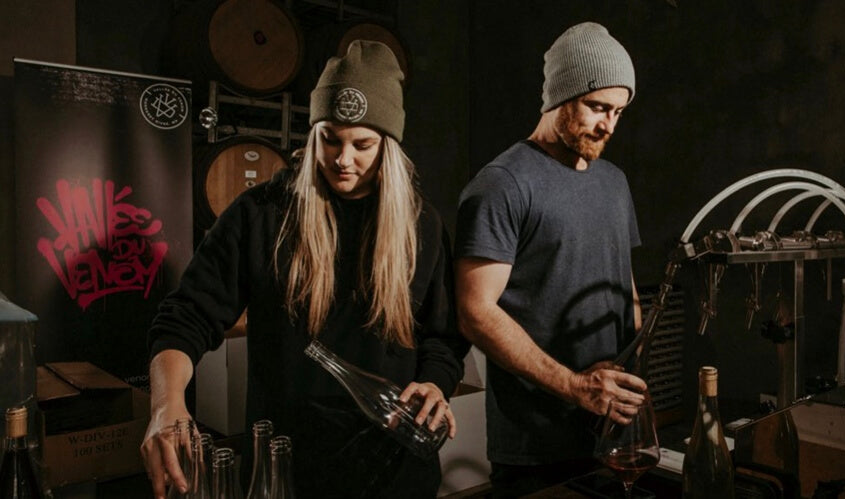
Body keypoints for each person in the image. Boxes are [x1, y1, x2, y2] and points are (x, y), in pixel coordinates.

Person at [140, 40, 468, 499]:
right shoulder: (262, 214)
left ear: (389, 146)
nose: (343, 159)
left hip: (394, 471)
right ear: (313, 133)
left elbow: (443, 337)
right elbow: (187, 316)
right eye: (329, 138)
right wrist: (166, 404)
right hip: (287, 471)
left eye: (363, 144)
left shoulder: (421, 225)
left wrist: (435, 382)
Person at [454, 22, 648, 497]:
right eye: (597, 107)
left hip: (611, 433)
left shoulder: (614, 181)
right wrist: (577, 387)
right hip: (537, 447)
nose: (608, 125)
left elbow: (624, 288)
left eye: (619, 112)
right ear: (560, 96)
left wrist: (630, 379)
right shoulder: (502, 184)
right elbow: (475, 312)